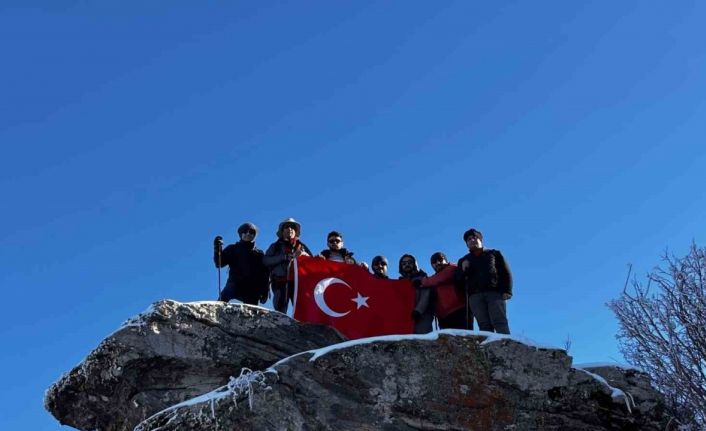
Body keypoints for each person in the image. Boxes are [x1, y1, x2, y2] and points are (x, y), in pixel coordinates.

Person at [455, 228, 513, 334]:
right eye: (469, 239)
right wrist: (463, 270)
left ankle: (505, 346)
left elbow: (506, 272)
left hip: (494, 293)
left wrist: (507, 290)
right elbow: (458, 280)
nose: (472, 240)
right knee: (484, 324)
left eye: (475, 237)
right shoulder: (463, 260)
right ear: (466, 244)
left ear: (481, 240)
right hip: (475, 296)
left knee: (499, 321)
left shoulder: (494, 253)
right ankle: (489, 349)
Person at [213, 222, 269, 305]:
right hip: (234, 284)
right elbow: (219, 263)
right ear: (240, 234)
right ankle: (215, 312)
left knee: (253, 311)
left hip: (252, 289)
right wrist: (217, 249)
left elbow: (264, 275)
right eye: (245, 231)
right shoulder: (233, 249)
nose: (248, 234)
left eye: (251, 232)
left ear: (254, 236)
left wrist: (265, 292)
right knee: (223, 297)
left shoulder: (259, 254)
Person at [263, 218, 312, 313]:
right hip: (279, 282)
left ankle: (301, 327)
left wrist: (304, 256)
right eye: (287, 227)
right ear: (282, 231)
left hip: (298, 283)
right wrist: (283, 257)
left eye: (293, 227)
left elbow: (312, 263)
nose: (290, 229)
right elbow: (266, 260)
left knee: (301, 310)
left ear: (295, 231)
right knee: (280, 311)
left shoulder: (302, 247)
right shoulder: (275, 246)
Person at [415, 252, 471, 330]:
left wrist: (422, 282)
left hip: (459, 310)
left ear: (446, 260)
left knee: (463, 337)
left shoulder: (452, 268)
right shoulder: (432, 279)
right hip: (443, 315)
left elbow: (441, 278)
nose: (437, 263)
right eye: (434, 262)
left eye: (440, 259)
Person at [399, 254, 434, 334]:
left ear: (415, 264)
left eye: (409, 262)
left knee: (423, 341)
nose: (407, 264)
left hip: (423, 316)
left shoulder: (423, 278)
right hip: (406, 318)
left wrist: (418, 311)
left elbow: (426, 296)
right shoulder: (399, 283)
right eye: (404, 263)